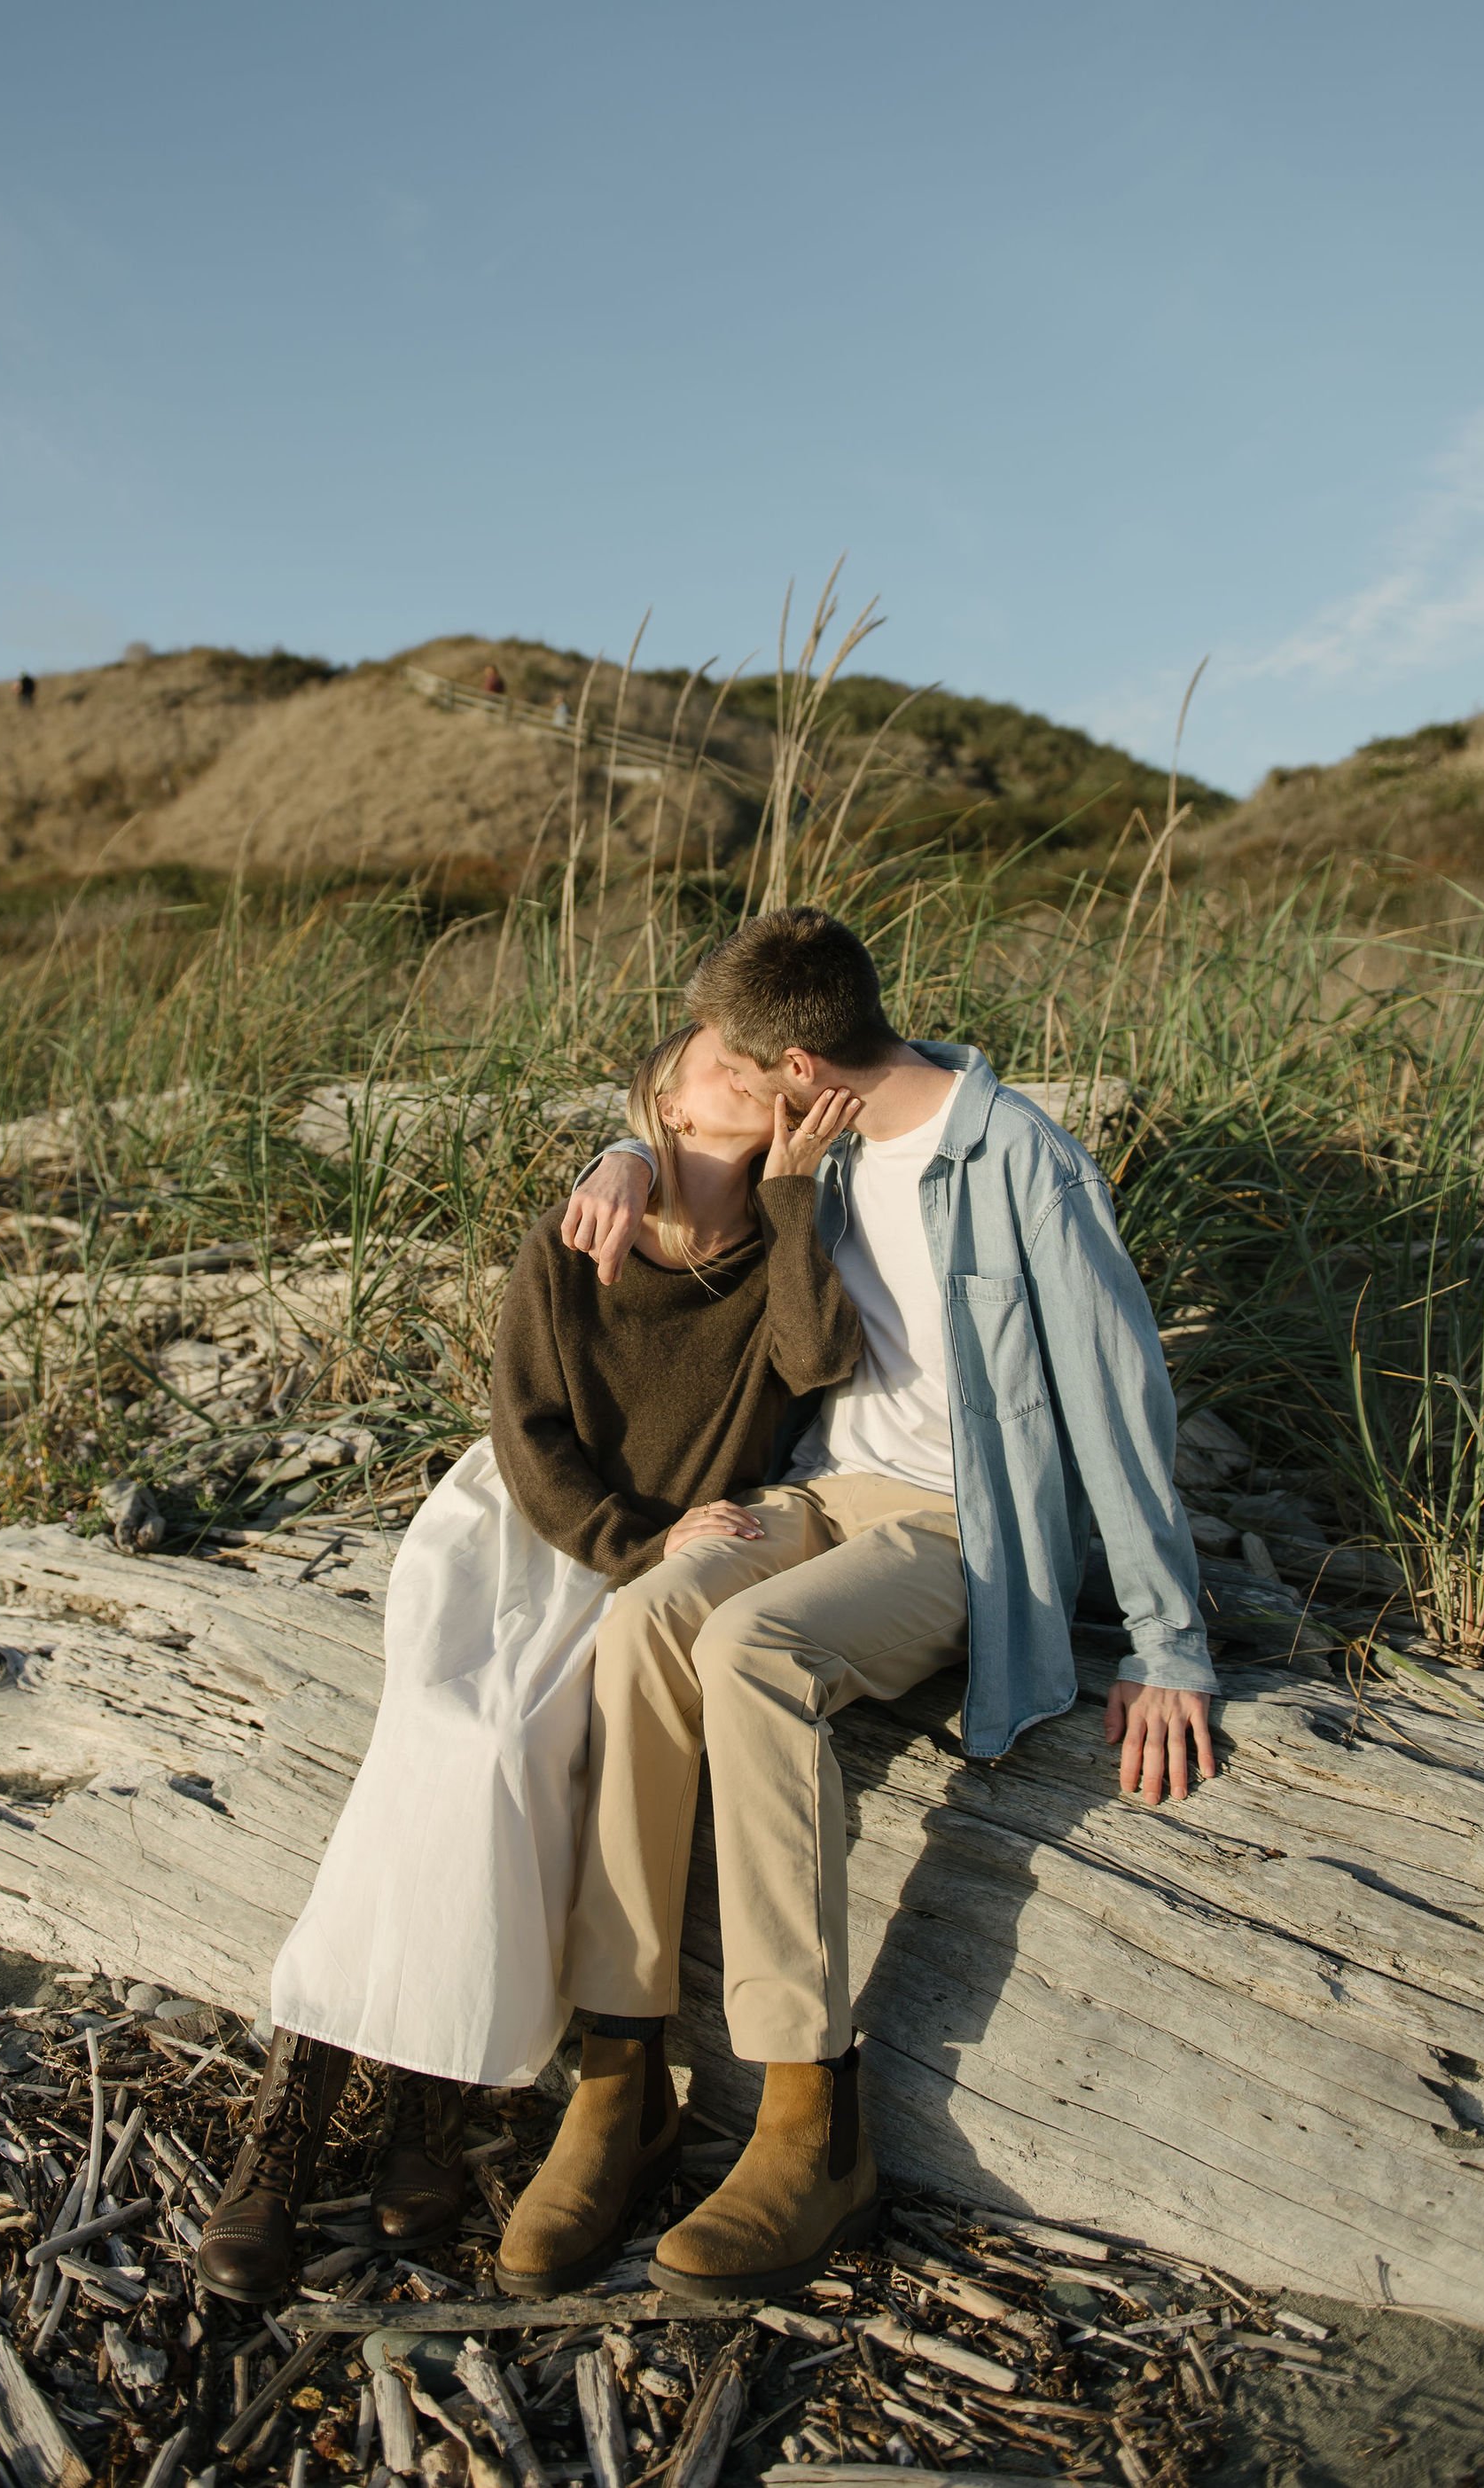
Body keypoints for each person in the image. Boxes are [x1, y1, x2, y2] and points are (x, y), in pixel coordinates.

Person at [496, 905, 1218, 2302]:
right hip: (824, 1489)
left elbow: (1123, 1399)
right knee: (647, 1617)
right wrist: (623, 1150)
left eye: (732, 1057)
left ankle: (809, 2116)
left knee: (752, 1644)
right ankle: (623, 2071)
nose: (709, 1069)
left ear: (802, 1066)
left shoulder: (1020, 1161)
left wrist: (1167, 1637)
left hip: (966, 1526)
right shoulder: (812, 1141)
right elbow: (666, 1119)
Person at [195, 1023, 863, 2306]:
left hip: (666, 1554)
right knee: (453, 1737)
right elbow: (529, 1430)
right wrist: (633, 1537)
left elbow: (818, 1363)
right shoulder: (579, 1230)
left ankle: (431, 2099)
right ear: (664, 1099)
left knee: (524, 1750)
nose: (745, 1066)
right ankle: (293, 2118)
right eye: (714, 1056)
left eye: (759, 1057)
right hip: (527, 1530)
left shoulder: (787, 1231)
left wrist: (787, 1196)